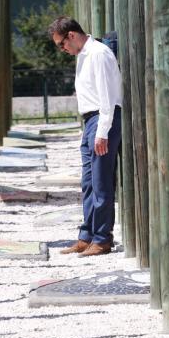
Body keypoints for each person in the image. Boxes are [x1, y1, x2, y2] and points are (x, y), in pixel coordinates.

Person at [48, 17, 122, 257]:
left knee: (101, 182)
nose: (62, 49)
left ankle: (102, 238)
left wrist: (102, 132)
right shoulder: (83, 55)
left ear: (71, 35)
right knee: (89, 182)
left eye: (61, 44)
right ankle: (87, 234)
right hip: (91, 120)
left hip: (102, 120)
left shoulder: (98, 54)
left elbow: (108, 97)